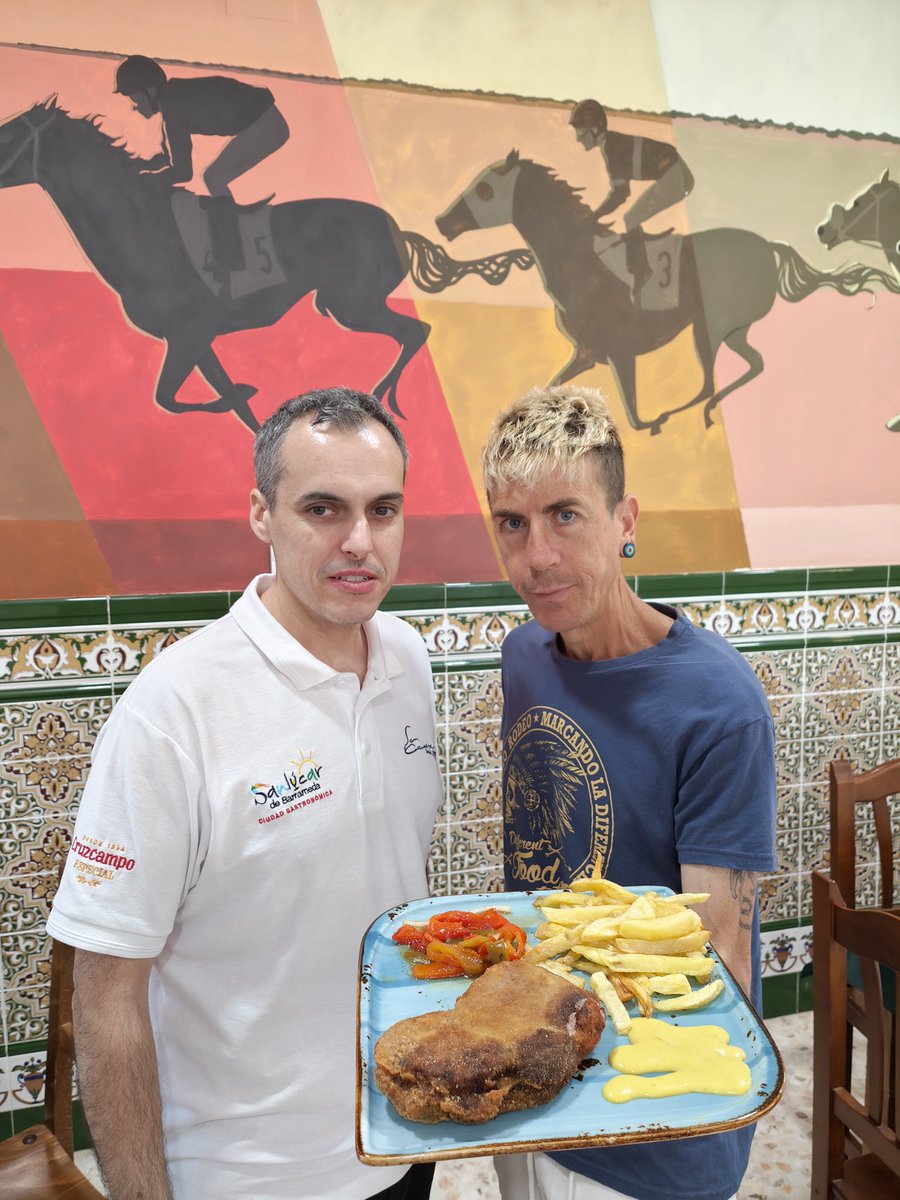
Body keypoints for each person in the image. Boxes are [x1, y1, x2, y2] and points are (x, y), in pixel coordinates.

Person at [47, 386, 442, 1200]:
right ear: (262, 513)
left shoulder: (408, 661)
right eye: (323, 509)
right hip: (245, 1177)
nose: (359, 542)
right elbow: (107, 995)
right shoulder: (175, 709)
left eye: (384, 509)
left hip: (403, 1132)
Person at [482, 384, 776, 1200]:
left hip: (644, 1119)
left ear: (626, 521)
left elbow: (721, 941)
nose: (536, 556)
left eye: (565, 516)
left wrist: (695, 1139)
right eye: (513, 523)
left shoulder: (719, 706)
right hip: (532, 1075)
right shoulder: (524, 656)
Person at [114, 54, 290, 278]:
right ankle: (231, 252)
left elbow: (183, 172)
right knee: (215, 177)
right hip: (265, 119)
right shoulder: (174, 99)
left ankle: (231, 256)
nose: (134, 107)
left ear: (150, 91)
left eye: (135, 100)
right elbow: (169, 156)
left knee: (214, 178)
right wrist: (141, 166)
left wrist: (148, 178)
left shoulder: (174, 107)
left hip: (268, 123)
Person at [569, 98, 694, 300]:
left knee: (631, 218)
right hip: (675, 172)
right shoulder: (611, 144)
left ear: (594, 129)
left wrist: (594, 217)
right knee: (632, 217)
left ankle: (642, 274)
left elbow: (620, 194)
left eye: (581, 132)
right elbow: (621, 193)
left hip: (676, 175)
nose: (578, 138)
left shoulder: (610, 146)